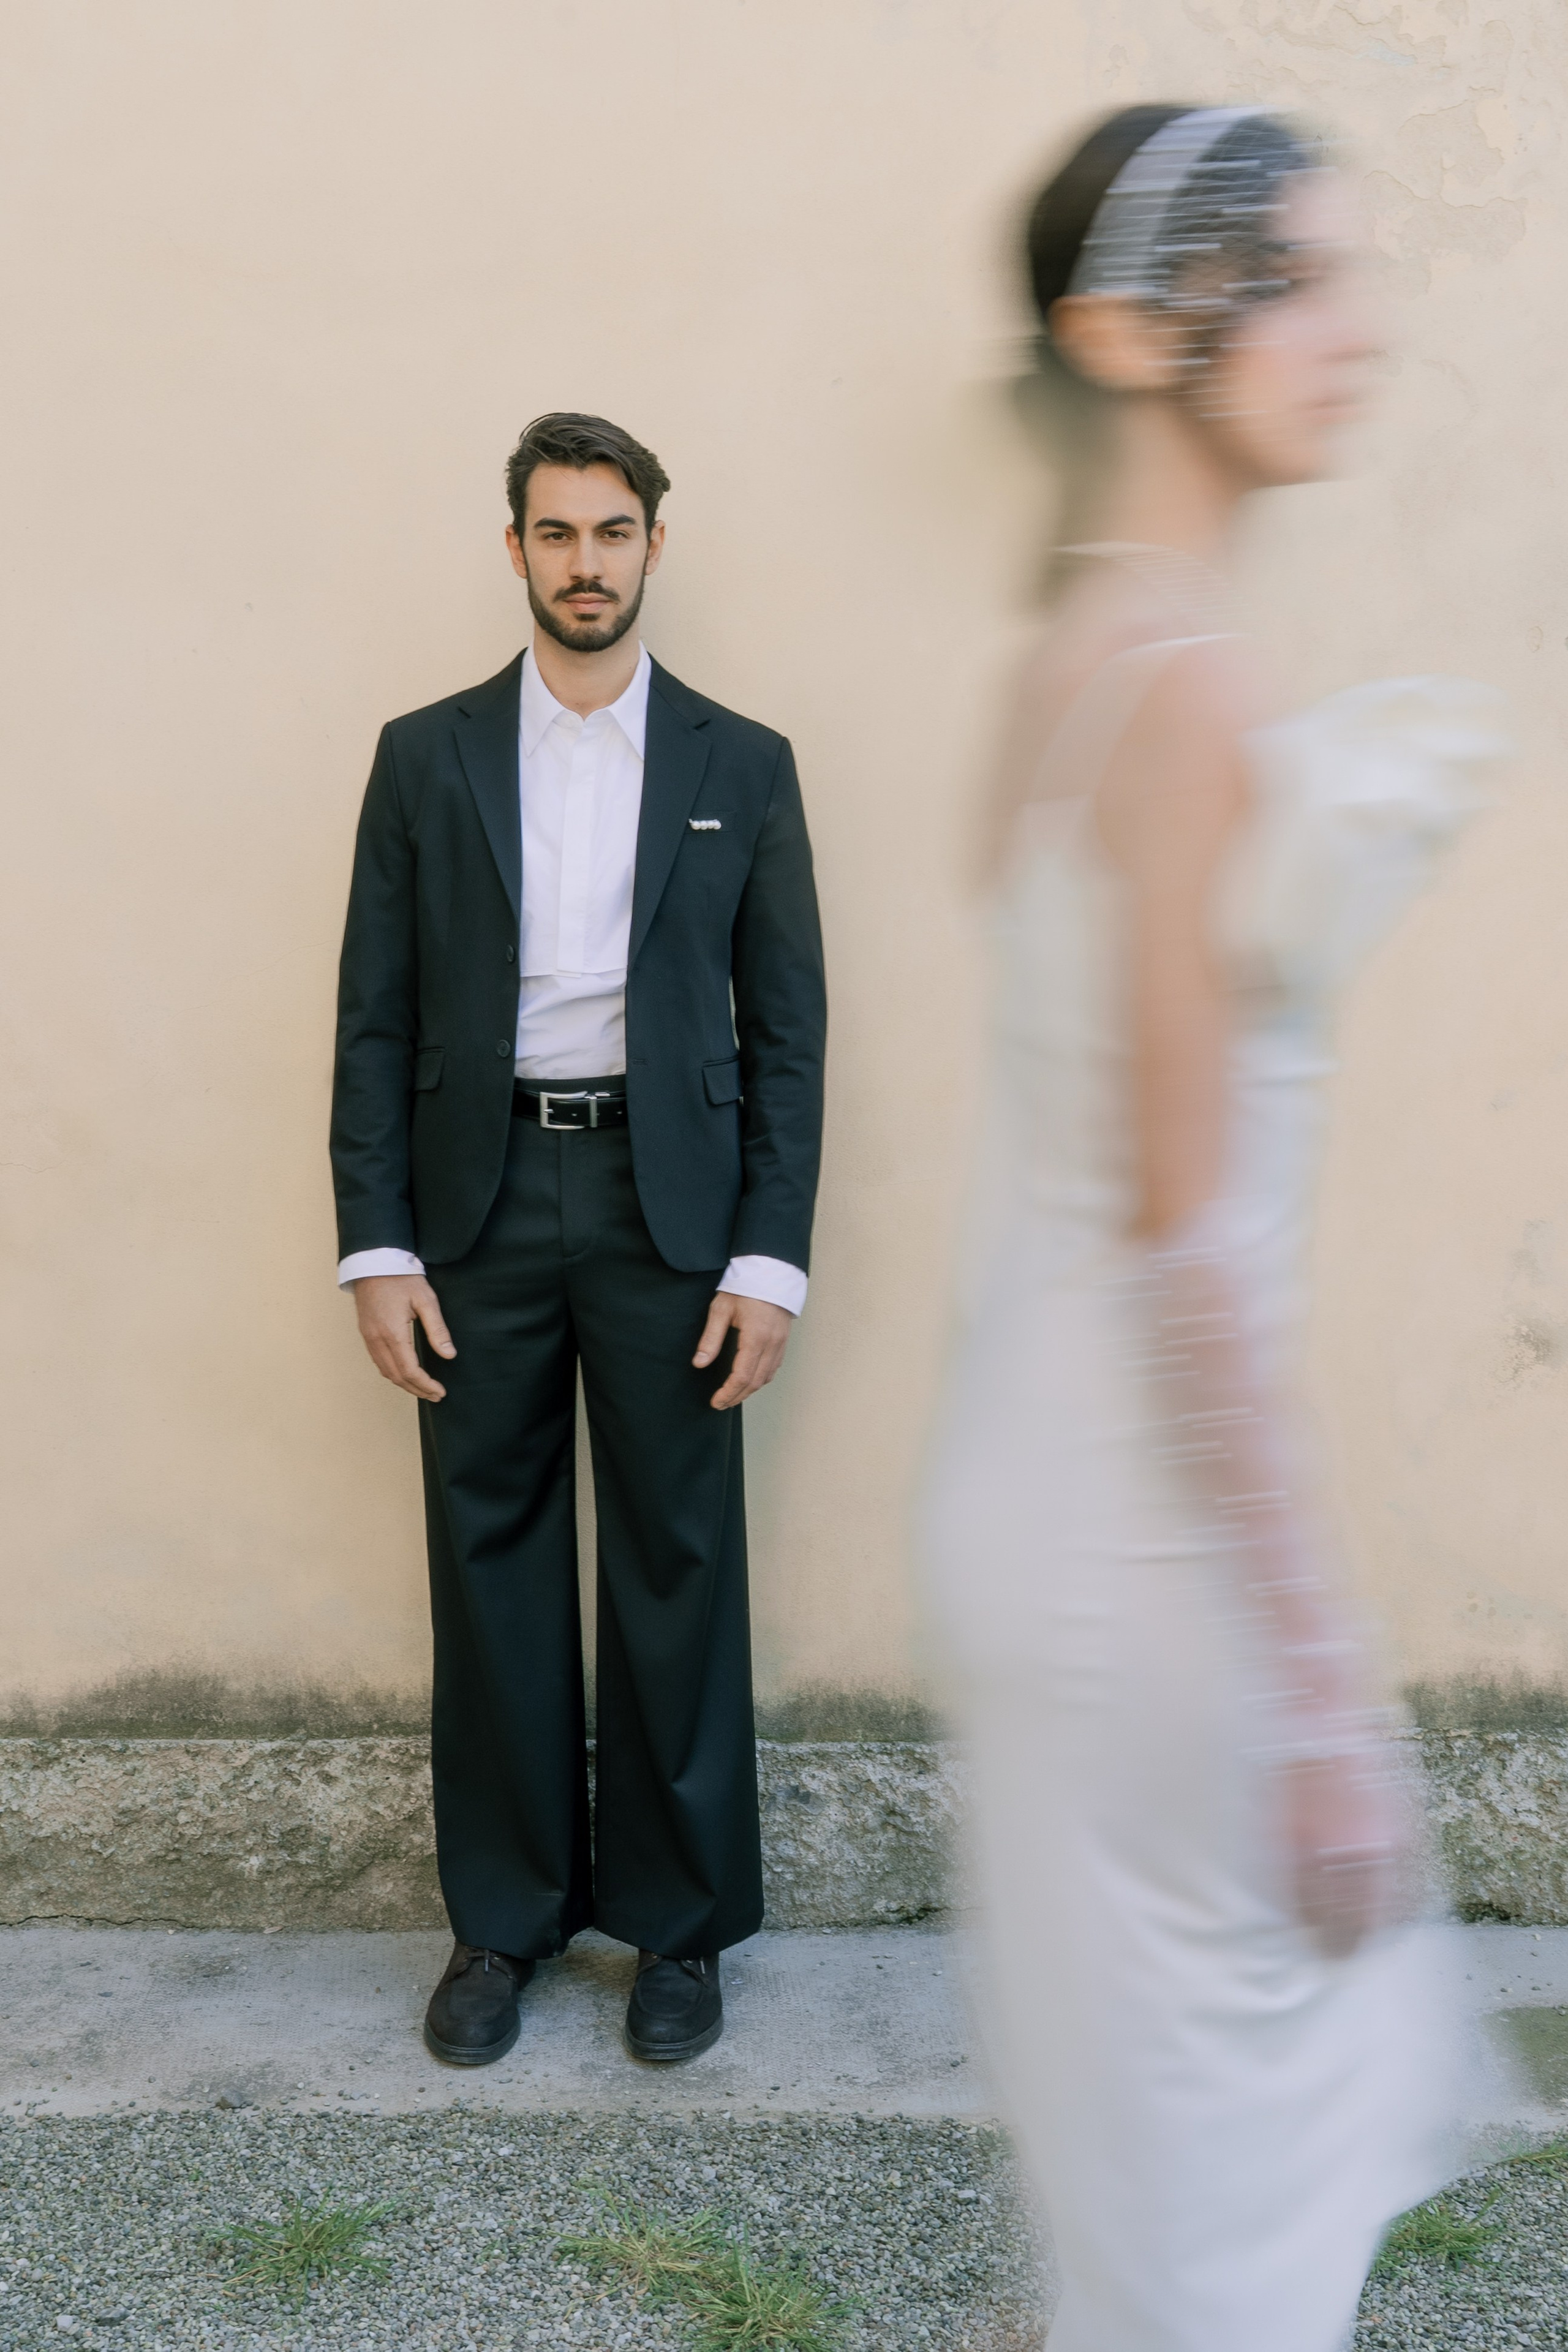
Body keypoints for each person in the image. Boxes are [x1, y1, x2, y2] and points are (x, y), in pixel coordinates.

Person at [921, 108, 1507, 2350]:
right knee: (1245, 2186)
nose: (1359, 335)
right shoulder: (1184, 695)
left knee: (1157, 2157)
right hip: (1145, 1549)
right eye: (1302, 285)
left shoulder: (1062, 659)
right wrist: (1322, 1698)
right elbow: (1184, 1249)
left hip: (1038, 1493)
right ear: (1132, 334)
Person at [331, 413, 826, 2067]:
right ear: (517, 550)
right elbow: (372, 1019)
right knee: (491, 1567)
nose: (586, 562)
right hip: (475, 1208)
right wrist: (375, 1245)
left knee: (679, 1562)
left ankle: (677, 1931)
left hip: (665, 1213)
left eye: (613, 532)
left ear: (653, 548)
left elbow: (788, 1033)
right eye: (557, 533)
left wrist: (768, 1256)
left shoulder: (739, 765)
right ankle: (504, 1921)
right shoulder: (427, 756)